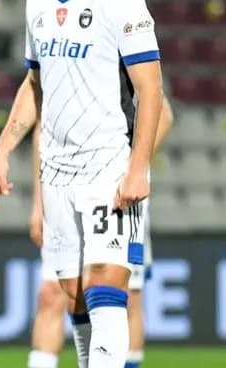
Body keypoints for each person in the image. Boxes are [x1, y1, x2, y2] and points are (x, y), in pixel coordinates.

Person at [0, 0, 165, 367]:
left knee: (106, 284)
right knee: (75, 296)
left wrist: (138, 167)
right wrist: (2, 152)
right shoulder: (36, 3)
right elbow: (34, 84)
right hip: (57, 172)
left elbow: (151, 89)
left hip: (108, 165)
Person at [27, 98, 173, 368]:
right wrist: (39, 204)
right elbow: (43, 128)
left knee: (122, 295)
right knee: (51, 293)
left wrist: (131, 169)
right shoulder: (56, 61)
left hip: (114, 189)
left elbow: (162, 113)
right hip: (63, 186)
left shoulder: (118, 58)